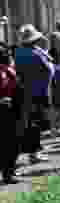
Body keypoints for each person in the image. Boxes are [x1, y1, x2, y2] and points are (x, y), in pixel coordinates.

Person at [14, 24, 54, 164]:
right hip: (38, 92)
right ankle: (34, 153)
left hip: (24, 91)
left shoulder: (18, 52)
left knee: (28, 122)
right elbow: (49, 70)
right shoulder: (36, 54)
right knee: (35, 124)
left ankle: (32, 151)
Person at [0, 44, 22, 183]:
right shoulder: (5, 72)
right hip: (5, 111)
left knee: (10, 143)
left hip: (12, 110)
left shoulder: (9, 71)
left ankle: (9, 171)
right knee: (8, 143)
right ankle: (8, 173)